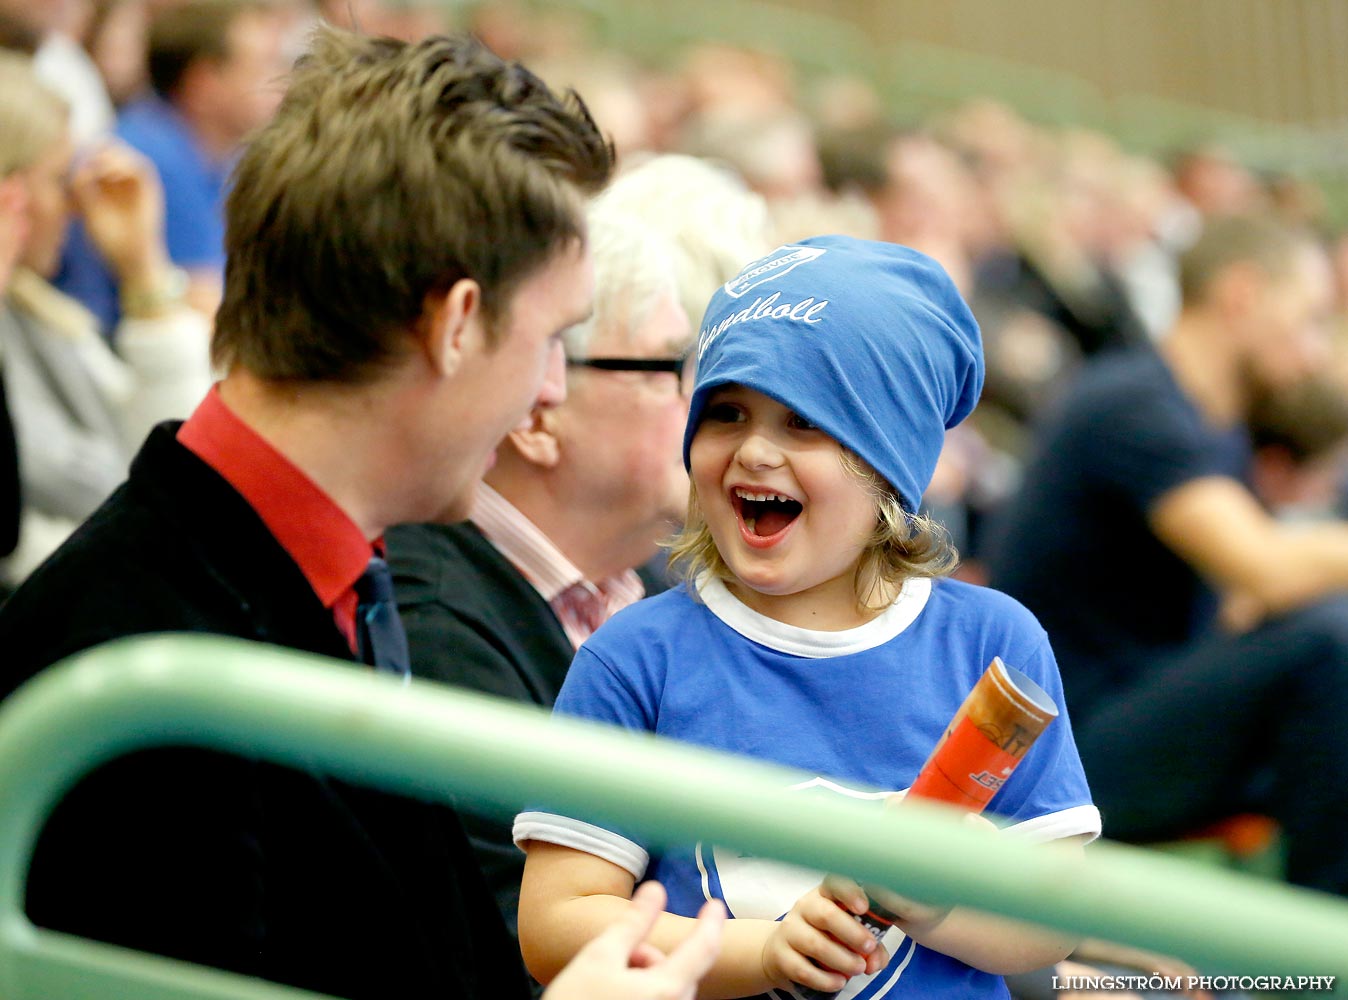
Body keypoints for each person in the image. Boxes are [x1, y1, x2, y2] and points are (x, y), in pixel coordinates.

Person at [0, 24, 724, 1000]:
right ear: (456, 324)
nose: (549, 390)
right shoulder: (144, 686)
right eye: (553, 338)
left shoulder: (310, 585)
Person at [516, 236, 1101, 999]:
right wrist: (759, 951)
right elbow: (556, 924)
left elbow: (1052, 917)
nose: (755, 450)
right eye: (725, 413)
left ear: (888, 462)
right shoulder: (635, 656)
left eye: (804, 422)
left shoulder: (993, 643)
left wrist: (942, 903)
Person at [986, 214, 1348, 896]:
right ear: (1241, 296)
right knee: (1329, 643)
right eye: (1304, 320)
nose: (1311, 353)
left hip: (1141, 704)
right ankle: (1327, 951)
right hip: (1065, 748)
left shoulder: (1215, 426)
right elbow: (1263, 566)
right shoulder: (1134, 404)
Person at [388, 198, 692, 974]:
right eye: (671, 369)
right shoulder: (437, 629)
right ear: (538, 412)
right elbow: (530, 958)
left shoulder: (643, 592)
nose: (708, 408)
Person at [0, 53, 211, 586]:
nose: (71, 207)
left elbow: (177, 460)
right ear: (10, 195)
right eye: (55, 180)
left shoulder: (39, 314)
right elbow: (131, 494)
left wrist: (143, 271)